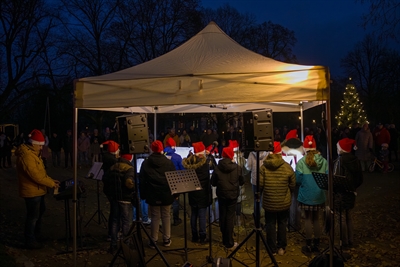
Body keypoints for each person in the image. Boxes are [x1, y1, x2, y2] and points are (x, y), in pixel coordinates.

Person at [15, 129, 60, 249]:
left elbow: (41, 172)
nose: (41, 148)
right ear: (33, 143)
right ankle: (30, 239)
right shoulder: (27, 156)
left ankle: (36, 235)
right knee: (33, 216)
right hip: (32, 192)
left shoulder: (34, 154)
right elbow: (35, 175)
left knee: (39, 213)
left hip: (38, 190)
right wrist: (50, 184)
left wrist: (51, 180)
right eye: (40, 145)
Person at [259, 141, 296, 256]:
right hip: (283, 202)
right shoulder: (287, 167)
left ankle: (272, 248)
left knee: (270, 223)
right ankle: (281, 247)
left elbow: (260, 185)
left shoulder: (264, 167)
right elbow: (293, 184)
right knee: (282, 223)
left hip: (269, 201)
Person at [139, 140, 176, 248]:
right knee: (166, 216)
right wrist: (175, 194)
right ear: (161, 149)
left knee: (155, 216)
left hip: (152, 193)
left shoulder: (146, 163)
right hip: (166, 193)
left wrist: (143, 194)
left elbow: (142, 180)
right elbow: (173, 179)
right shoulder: (168, 162)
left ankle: (153, 240)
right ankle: (166, 239)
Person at [296, 135, 328, 256]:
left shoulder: (301, 162)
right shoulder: (324, 161)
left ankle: (308, 245)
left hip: (306, 195)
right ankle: (317, 244)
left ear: (304, 148)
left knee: (308, 219)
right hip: (319, 195)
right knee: (316, 219)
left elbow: (298, 180)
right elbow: (326, 179)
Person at [211, 146, 244, 249]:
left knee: (223, 215)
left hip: (221, 194)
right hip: (232, 195)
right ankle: (228, 241)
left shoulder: (217, 167)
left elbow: (213, 182)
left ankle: (224, 238)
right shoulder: (237, 167)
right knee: (230, 217)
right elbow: (242, 181)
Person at [102, 153, 135, 253]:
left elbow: (105, 180)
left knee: (115, 220)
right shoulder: (129, 169)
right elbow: (129, 183)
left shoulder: (113, 167)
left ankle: (113, 244)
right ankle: (126, 244)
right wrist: (133, 189)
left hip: (114, 198)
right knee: (126, 221)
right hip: (125, 199)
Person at [334, 138, 363, 249]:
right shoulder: (355, 160)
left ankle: (343, 241)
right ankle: (350, 240)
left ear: (341, 149)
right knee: (348, 216)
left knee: (340, 217)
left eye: (338, 147)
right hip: (351, 192)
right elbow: (360, 179)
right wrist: (353, 187)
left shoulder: (340, 161)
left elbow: (336, 178)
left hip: (341, 193)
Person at [182, 141, 213, 244]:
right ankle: (203, 236)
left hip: (193, 192)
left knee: (193, 214)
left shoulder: (190, 162)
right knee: (202, 216)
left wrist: (189, 155)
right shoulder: (205, 163)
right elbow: (214, 166)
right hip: (203, 193)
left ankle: (194, 236)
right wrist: (211, 155)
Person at [164, 137, 184, 226]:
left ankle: (165, 219)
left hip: (164, 181)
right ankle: (175, 219)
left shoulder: (163, 156)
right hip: (176, 181)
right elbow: (183, 170)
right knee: (175, 201)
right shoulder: (177, 157)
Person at [246, 150, 270, 216]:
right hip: (265, 179)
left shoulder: (251, 153)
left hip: (255, 180)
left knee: (256, 199)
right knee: (266, 199)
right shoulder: (268, 154)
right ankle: (267, 217)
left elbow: (248, 166)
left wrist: (253, 169)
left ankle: (257, 216)